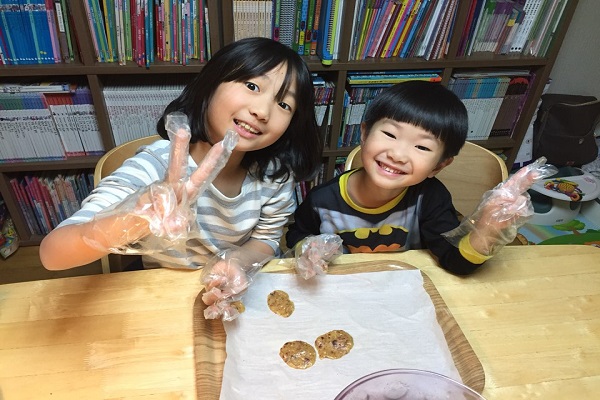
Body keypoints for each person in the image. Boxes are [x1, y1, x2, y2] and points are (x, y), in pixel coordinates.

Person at [40, 37, 322, 271]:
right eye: (251, 86)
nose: (262, 112)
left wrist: (235, 262)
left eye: (284, 104)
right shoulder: (155, 166)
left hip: (232, 296)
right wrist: (138, 216)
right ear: (211, 83)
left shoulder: (274, 174)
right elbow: (53, 254)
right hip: (161, 294)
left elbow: (267, 238)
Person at [285, 80, 547, 275]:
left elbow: (454, 262)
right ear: (364, 134)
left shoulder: (430, 199)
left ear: (439, 166)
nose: (398, 154)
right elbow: (297, 234)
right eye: (390, 134)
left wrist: (487, 231)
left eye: (422, 147)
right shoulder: (322, 200)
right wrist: (306, 249)